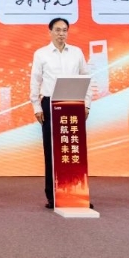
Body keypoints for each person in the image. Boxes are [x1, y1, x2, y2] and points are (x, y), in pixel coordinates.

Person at [29, 17, 92, 209]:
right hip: (50, 104)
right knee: (52, 150)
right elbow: (35, 81)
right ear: (50, 32)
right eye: (57, 30)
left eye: (64, 30)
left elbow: (86, 77)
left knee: (74, 150)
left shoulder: (76, 52)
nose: (61, 33)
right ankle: (53, 195)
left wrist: (87, 104)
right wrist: (36, 107)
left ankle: (78, 193)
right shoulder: (41, 54)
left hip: (73, 103)